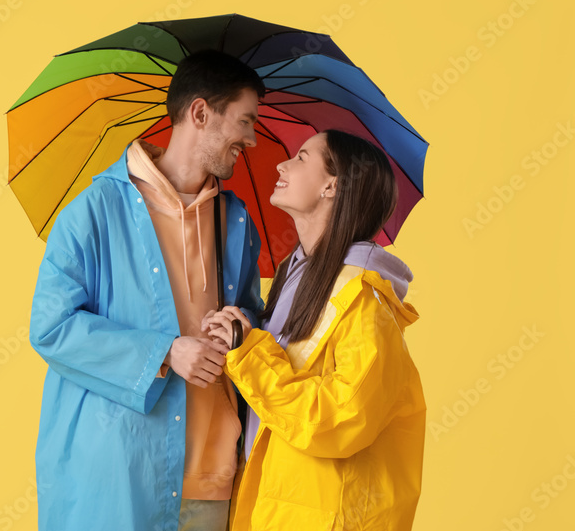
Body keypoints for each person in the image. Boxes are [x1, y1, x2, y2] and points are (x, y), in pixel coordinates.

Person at [29, 50, 266, 531]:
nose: (252, 139)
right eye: (245, 121)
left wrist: (242, 330)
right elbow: (51, 327)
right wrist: (165, 352)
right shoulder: (93, 211)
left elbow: (256, 320)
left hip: (214, 477)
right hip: (120, 476)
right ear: (200, 113)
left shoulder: (236, 219)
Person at [203, 129, 426, 530]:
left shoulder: (362, 297)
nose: (281, 164)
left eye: (302, 157)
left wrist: (249, 354)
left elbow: (343, 416)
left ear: (332, 186)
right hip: (279, 507)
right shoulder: (296, 276)